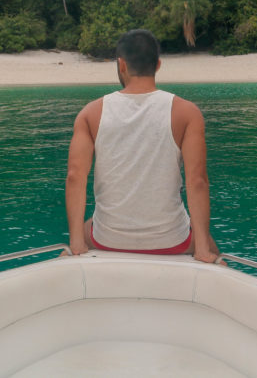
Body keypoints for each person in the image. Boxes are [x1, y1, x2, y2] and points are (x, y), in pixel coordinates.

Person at [65, 29, 220, 263]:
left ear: (122, 65)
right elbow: (197, 181)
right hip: (173, 240)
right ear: (158, 65)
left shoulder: (90, 113)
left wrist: (76, 243)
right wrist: (203, 249)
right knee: (211, 247)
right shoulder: (187, 113)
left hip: (106, 239)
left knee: (89, 228)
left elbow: (75, 177)